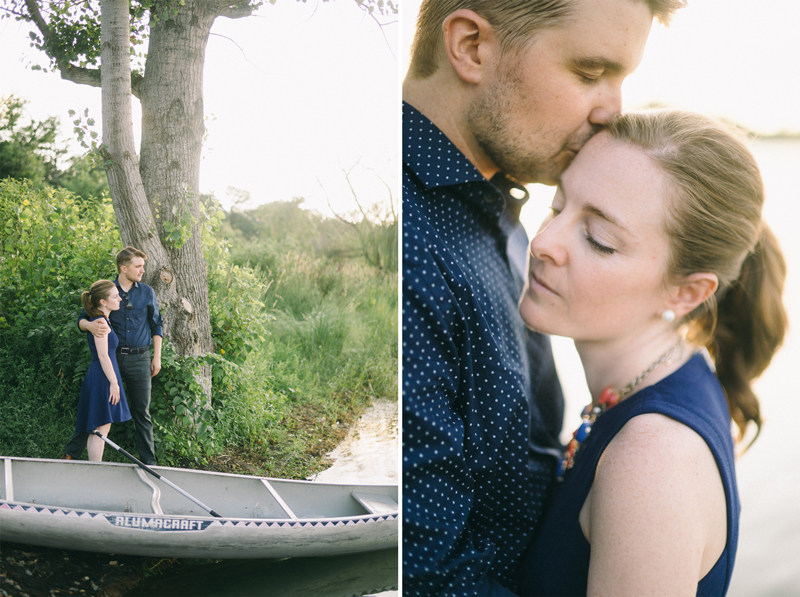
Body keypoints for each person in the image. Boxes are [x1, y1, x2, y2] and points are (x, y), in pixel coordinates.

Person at [402, 0, 684, 594]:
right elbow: (428, 577)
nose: (612, 112)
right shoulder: (412, 248)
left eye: (621, 81)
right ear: (472, 47)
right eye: (589, 73)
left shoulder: (493, 202)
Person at [517, 110, 787, 596]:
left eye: (599, 241)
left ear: (685, 293)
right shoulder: (669, 380)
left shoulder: (650, 461)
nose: (542, 242)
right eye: (557, 206)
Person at [62, 247, 163, 465]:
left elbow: (157, 325)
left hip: (140, 359)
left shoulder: (147, 292)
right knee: (99, 408)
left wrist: (157, 358)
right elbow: (83, 319)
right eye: (138, 266)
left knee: (141, 411)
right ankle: (71, 453)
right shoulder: (107, 291)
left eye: (142, 266)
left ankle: (149, 462)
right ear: (123, 268)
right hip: (112, 359)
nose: (142, 270)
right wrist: (90, 325)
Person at [71, 280, 132, 461]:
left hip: (102, 374)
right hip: (103, 376)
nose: (119, 299)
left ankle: (94, 469)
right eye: (115, 296)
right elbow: (103, 356)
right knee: (101, 429)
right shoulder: (100, 322)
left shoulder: (102, 319)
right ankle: (95, 472)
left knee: (99, 428)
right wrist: (114, 383)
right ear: (103, 302)